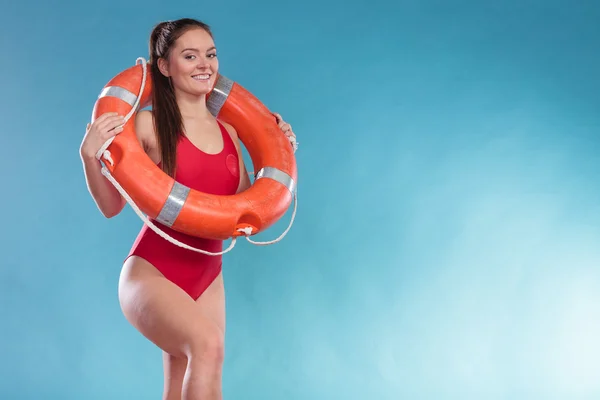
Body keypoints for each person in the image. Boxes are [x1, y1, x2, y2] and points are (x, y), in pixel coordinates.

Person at [79, 18, 296, 400]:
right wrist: (88, 156)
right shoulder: (148, 125)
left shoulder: (229, 133)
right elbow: (111, 207)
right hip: (152, 272)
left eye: (210, 55)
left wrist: (282, 150)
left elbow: (245, 209)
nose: (204, 65)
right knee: (207, 346)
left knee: (188, 377)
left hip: (208, 277)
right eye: (190, 55)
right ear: (164, 66)